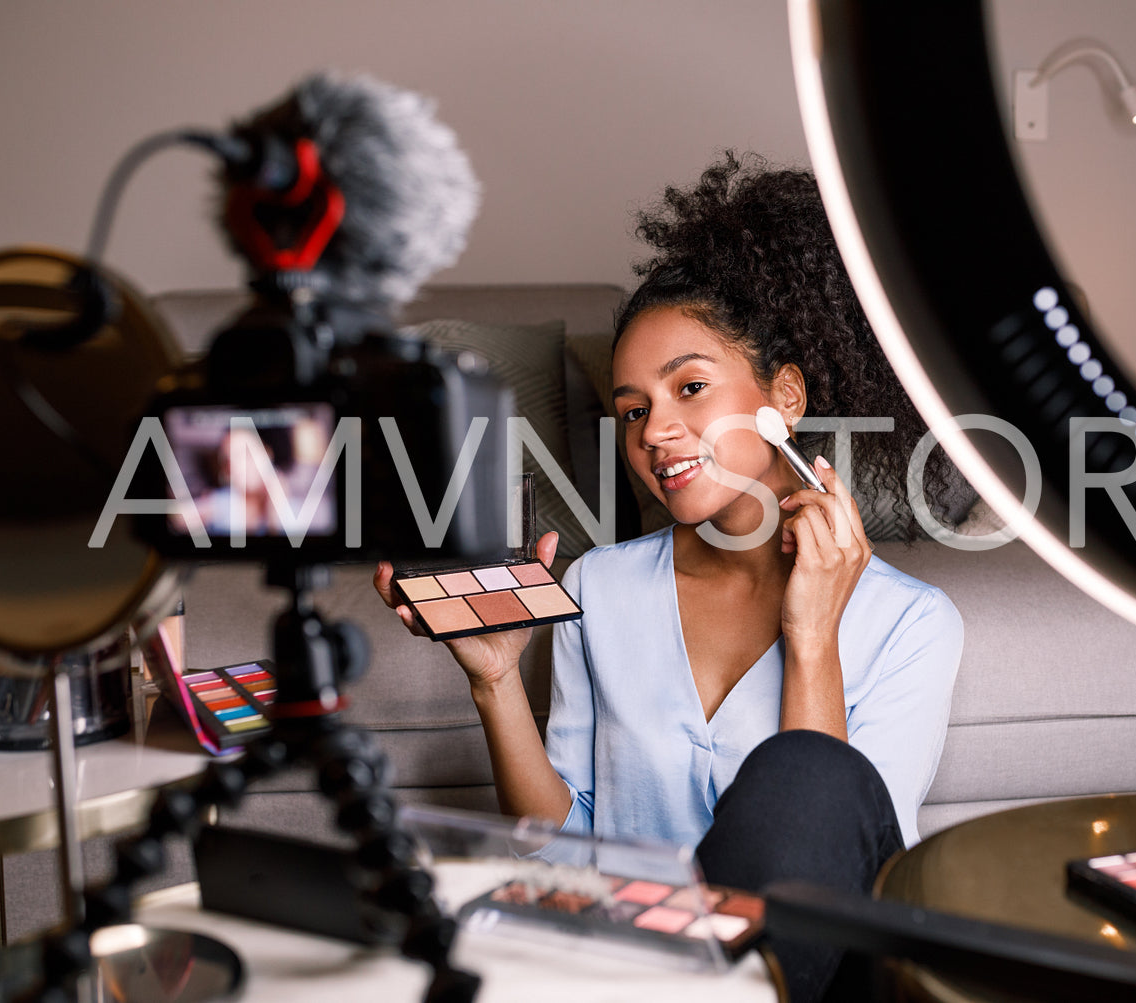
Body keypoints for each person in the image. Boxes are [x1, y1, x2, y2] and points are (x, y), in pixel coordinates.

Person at [375, 153, 964, 1002]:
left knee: (809, 777)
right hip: (632, 967)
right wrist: (497, 684)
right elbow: (564, 844)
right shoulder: (601, 590)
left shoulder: (912, 622)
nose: (656, 431)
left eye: (689, 386)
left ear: (783, 398)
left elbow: (827, 851)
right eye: (632, 410)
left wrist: (812, 633)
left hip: (825, 975)